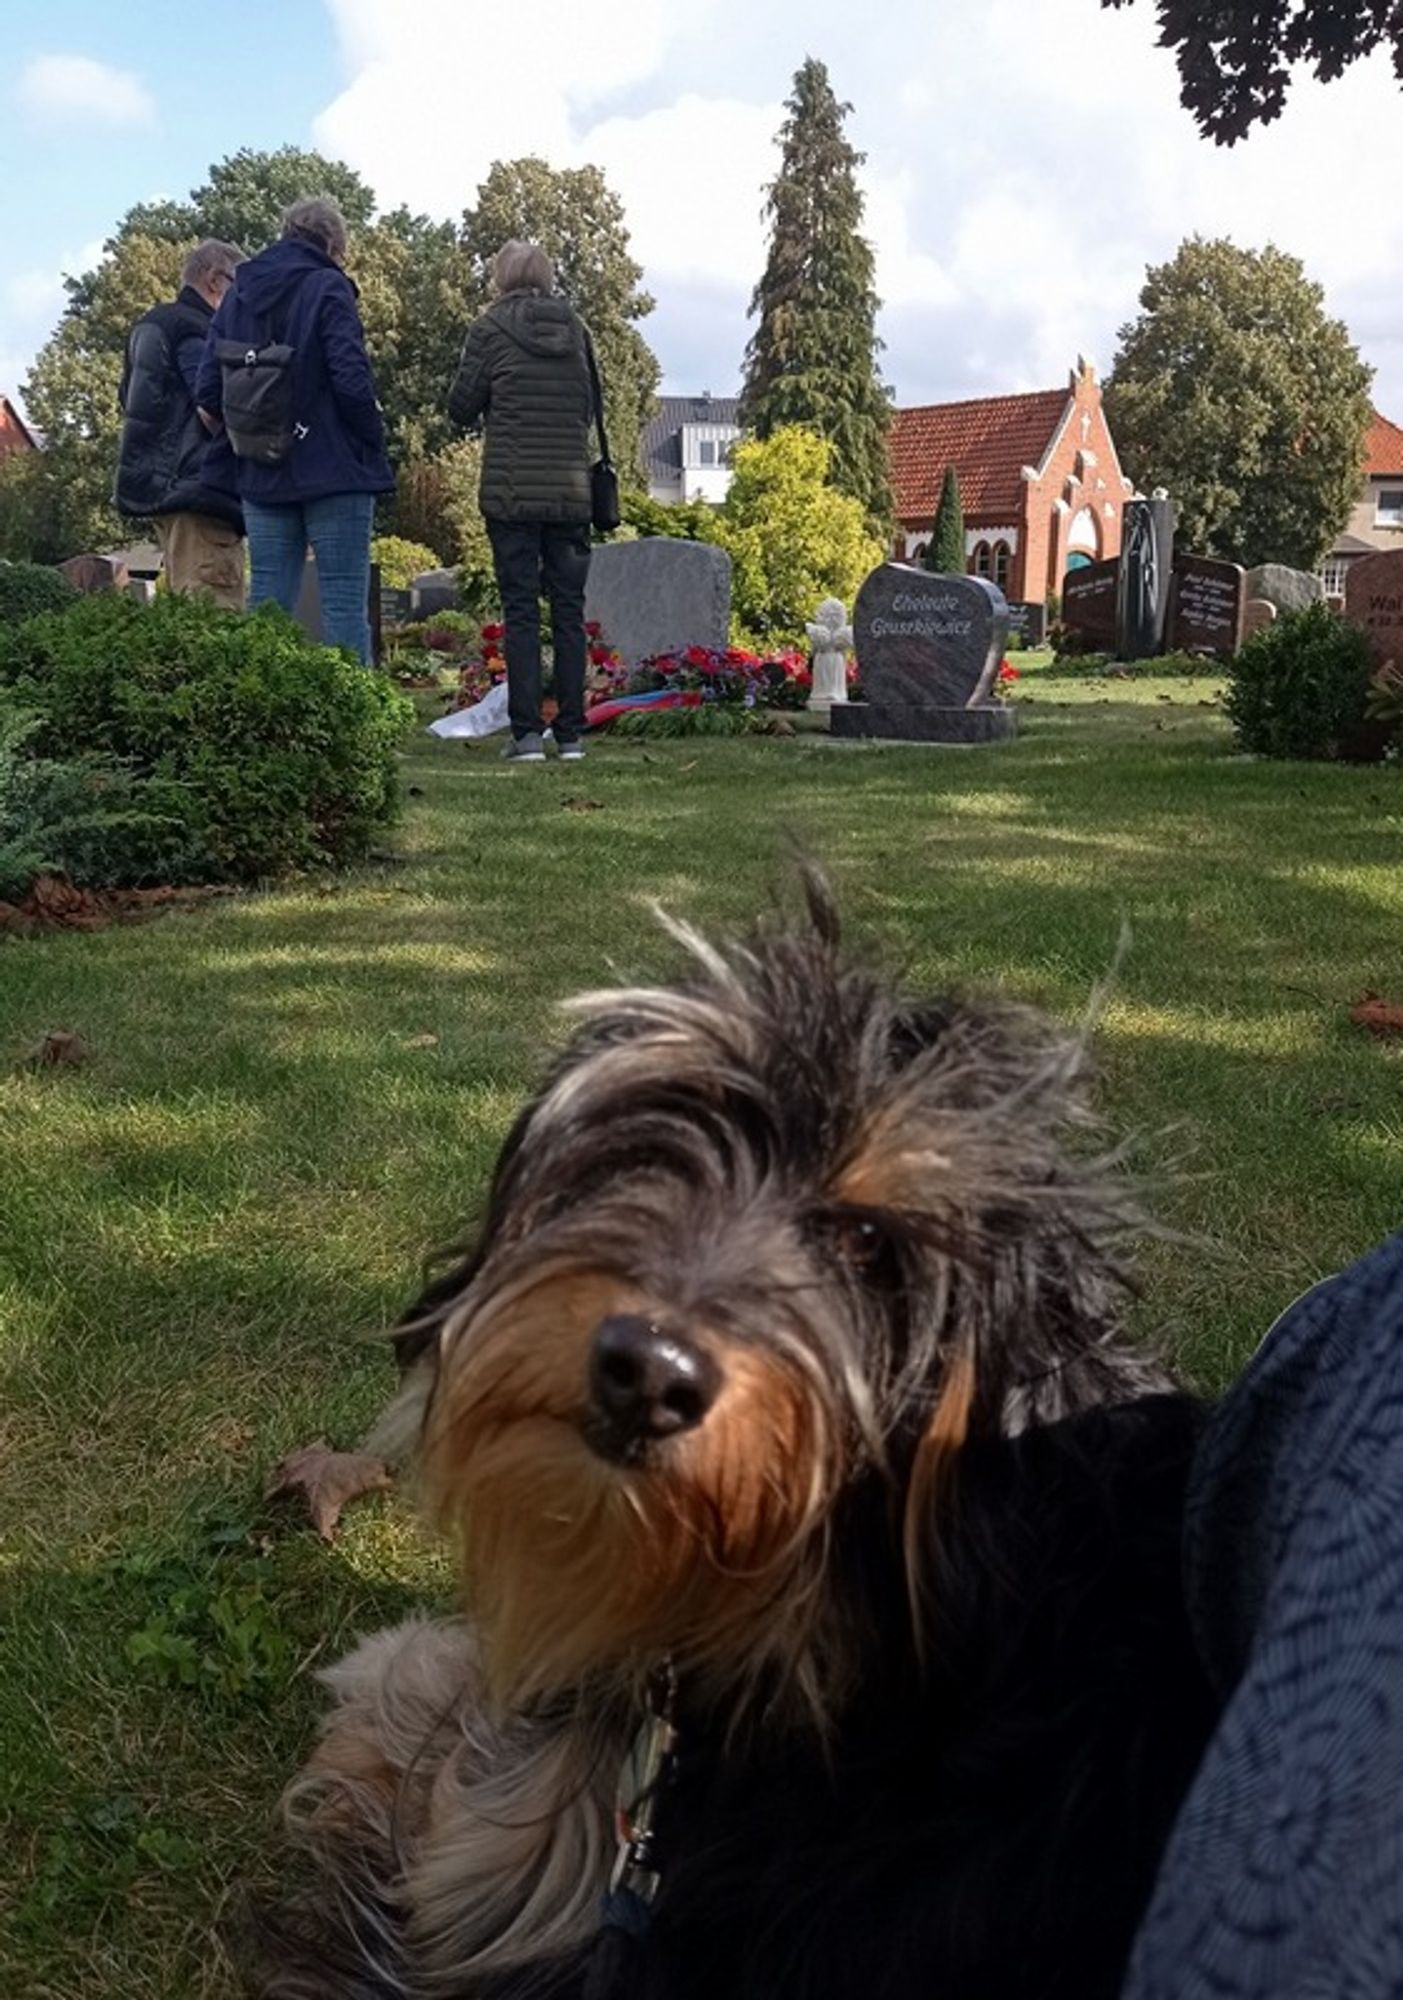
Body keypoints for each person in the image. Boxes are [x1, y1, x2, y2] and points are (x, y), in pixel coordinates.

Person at [194, 196, 391, 663]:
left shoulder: (238, 293)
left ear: (285, 234)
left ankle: (266, 720)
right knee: (343, 602)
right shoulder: (329, 287)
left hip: (262, 466)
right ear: (333, 244)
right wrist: (371, 438)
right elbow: (350, 378)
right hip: (334, 466)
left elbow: (206, 391)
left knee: (267, 602)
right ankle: (354, 724)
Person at [448, 240, 594, 763]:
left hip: (511, 492)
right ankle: (573, 734)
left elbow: (460, 408)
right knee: (570, 612)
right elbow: (592, 405)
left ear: (501, 279)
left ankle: (528, 734)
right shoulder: (577, 329)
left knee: (521, 611)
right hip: (572, 492)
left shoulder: (488, 330)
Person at [114, 239, 247, 608]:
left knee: (185, 611)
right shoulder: (197, 327)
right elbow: (211, 404)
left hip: (163, 492)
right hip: (201, 489)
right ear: (214, 279)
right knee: (216, 612)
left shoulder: (151, 326)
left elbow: (129, 401)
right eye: (239, 285)